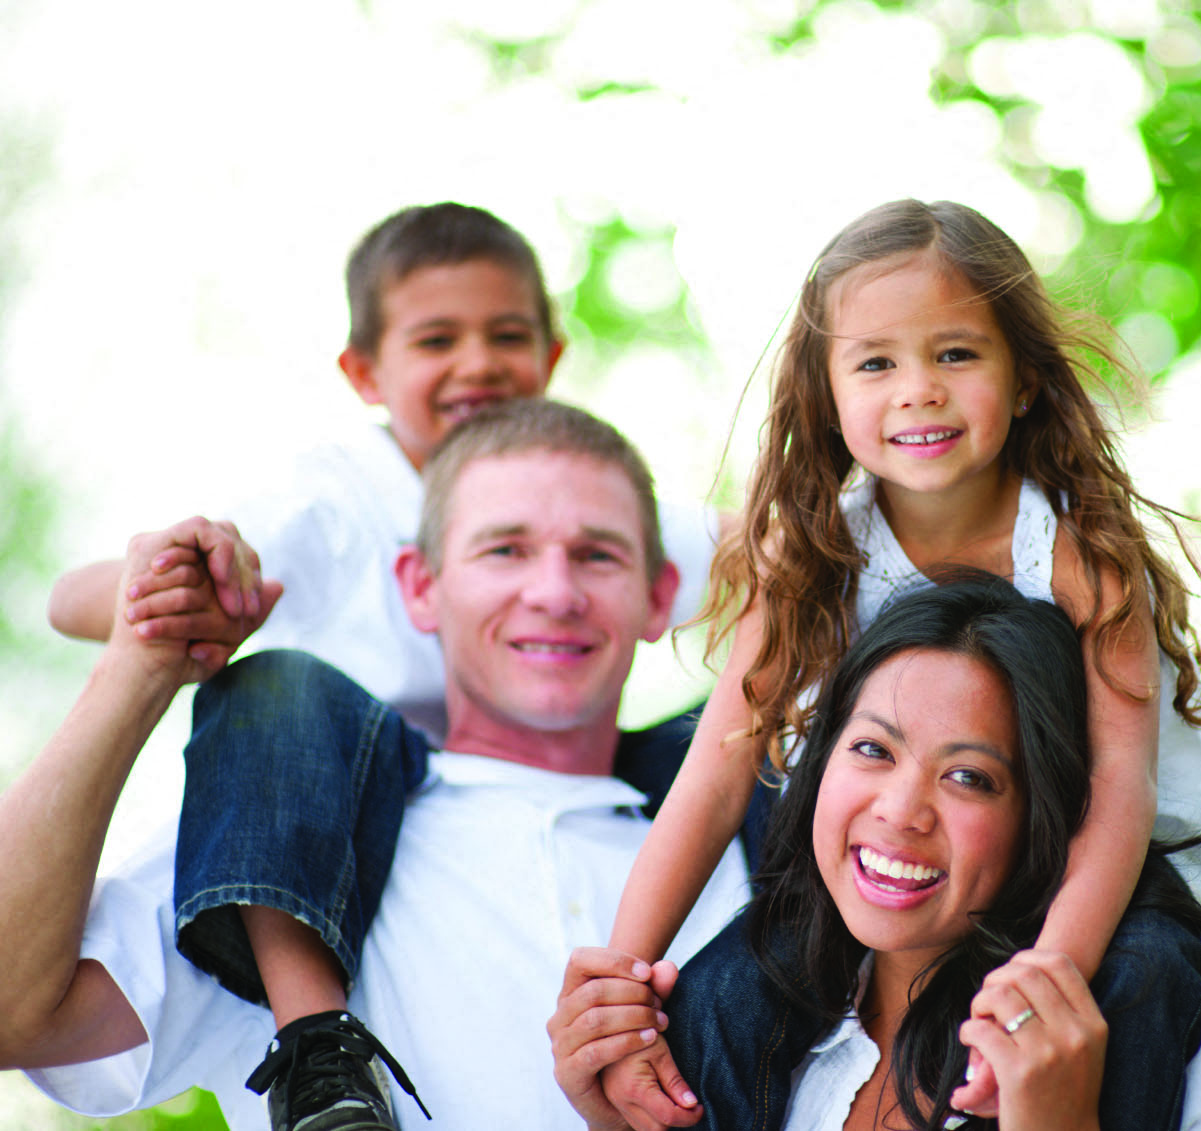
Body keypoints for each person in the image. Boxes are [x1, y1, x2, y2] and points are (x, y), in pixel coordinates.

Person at [590, 198, 1201, 1124]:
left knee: (1141, 976)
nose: (917, 389)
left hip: (1101, 869)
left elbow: (1122, 793)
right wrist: (620, 982)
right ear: (827, 397)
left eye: (955, 354)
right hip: (903, 867)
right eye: (875, 362)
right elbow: (715, 777)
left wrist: (1047, 974)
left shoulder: (1085, 562)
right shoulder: (809, 560)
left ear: (1025, 377)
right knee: (726, 990)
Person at [41, 204, 724, 1128]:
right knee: (277, 694)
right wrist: (180, 591)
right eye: (438, 338)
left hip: (585, 774)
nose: (478, 362)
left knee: (759, 748)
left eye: (508, 335)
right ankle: (317, 1039)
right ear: (365, 372)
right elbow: (71, 599)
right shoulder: (340, 499)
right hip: (343, 783)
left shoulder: (582, 484)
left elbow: (781, 559)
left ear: (553, 357)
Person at [554, 576, 1201, 1130]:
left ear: (1045, 817)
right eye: (872, 750)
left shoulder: (1172, 1043)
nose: (901, 810)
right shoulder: (725, 1020)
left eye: (970, 777)